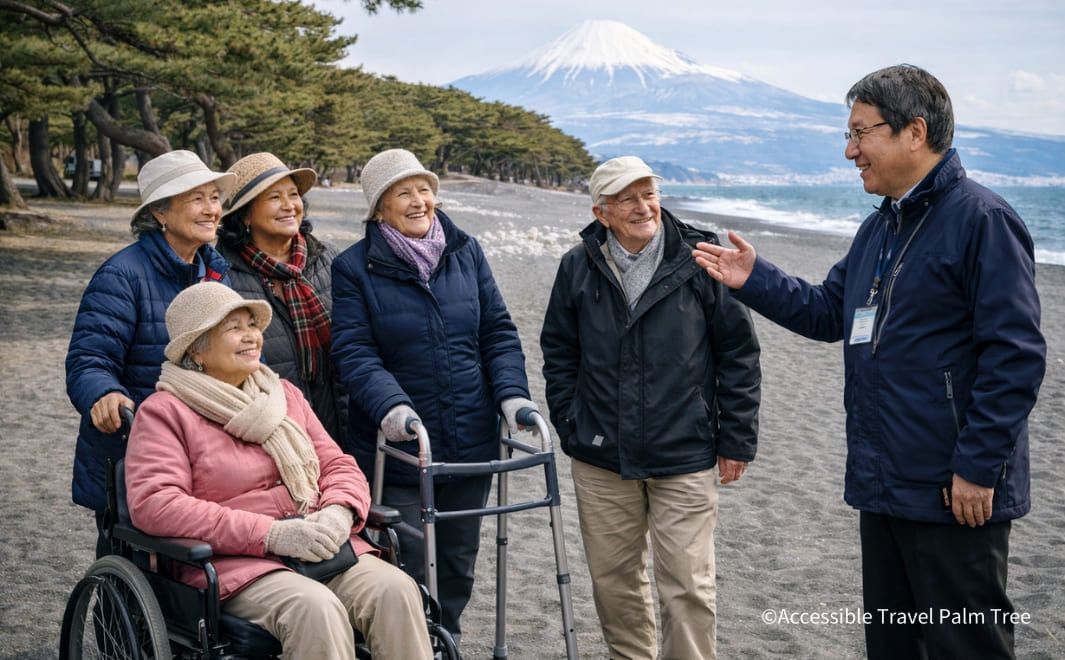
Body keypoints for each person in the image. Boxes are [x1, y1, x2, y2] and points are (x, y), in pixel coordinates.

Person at [692, 64, 1046, 659]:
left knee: (966, 647)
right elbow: (831, 312)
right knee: (894, 646)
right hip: (884, 479)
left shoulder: (981, 220)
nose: (850, 149)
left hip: (951, 487)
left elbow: (1016, 355)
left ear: (914, 131)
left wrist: (979, 467)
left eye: (861, 132)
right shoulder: (880, 227)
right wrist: (753, 278)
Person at [123, 282, 433, 659]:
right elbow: (157, 505)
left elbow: (338, 465)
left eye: (251, 325)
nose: (251, 336)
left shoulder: (283, 394)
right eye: (232, 328)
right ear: (196, 349)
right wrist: (270, 535)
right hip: (236, 564)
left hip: (321, 545)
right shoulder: (164, 412)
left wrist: (339, 512)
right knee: (315, 608)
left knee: (396, 590)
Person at [540, 156, 762, 659]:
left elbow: (739, 354)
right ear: (602, 212)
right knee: (614, 584)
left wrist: (736, 440)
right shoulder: (578, 265)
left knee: (688, 586)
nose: (644, 207)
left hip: (685, 450)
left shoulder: (702, 257)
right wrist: (572, 423)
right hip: (600, 455)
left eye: (649, 194)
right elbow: (559, 350)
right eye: (627, 198)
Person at [331, 148, 536, 643]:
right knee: (406, 564)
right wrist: (391, 407)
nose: (419, 200)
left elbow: (498, 333)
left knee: (458, 561)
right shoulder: (354, 268)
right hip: (400, 446)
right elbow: (354, 350)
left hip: (470, 441)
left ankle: (448, 644)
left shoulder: (466, 251)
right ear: (379, 208)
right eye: (403, 192)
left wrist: (511, 395)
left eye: (424, 188)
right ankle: (407, 646)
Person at [65, 150, 236, 558]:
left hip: (204, 448)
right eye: (197, 199)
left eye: (215, 198)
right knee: (134, 572)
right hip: (138, 451)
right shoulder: (122, 275)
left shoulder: (215, 271)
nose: (212, 209)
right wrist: (103, 393)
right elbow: (89, 361)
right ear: (160, 212)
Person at [217, 152, 346, 441]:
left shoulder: (329, 260)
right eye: (275, 197)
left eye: (294, 195)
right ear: (246, 214)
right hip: (269, 430)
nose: (289, 206)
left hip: (341, 421)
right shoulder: (222, 275)